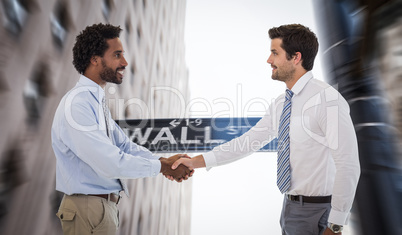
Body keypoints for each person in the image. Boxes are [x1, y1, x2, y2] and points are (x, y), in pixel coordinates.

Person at [172, 24, 360, 235]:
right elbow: (247, 142)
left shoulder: (327, 100)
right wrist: (195, 162)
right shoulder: (281, 104)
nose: (269, 60)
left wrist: (335, 225)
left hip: (320, 212)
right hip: (290, 208)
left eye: (275, 53)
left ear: (295, 57)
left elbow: (348, 164)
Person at [51, 23, 192, 235]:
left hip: (100, 210)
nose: (125, 63)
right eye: (117, 55)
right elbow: (109, 162)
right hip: (88, 210)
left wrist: (164, 162)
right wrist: (161, 167)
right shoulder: (78, 104)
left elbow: (125, 147)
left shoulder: (96, 103)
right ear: (95, 59)